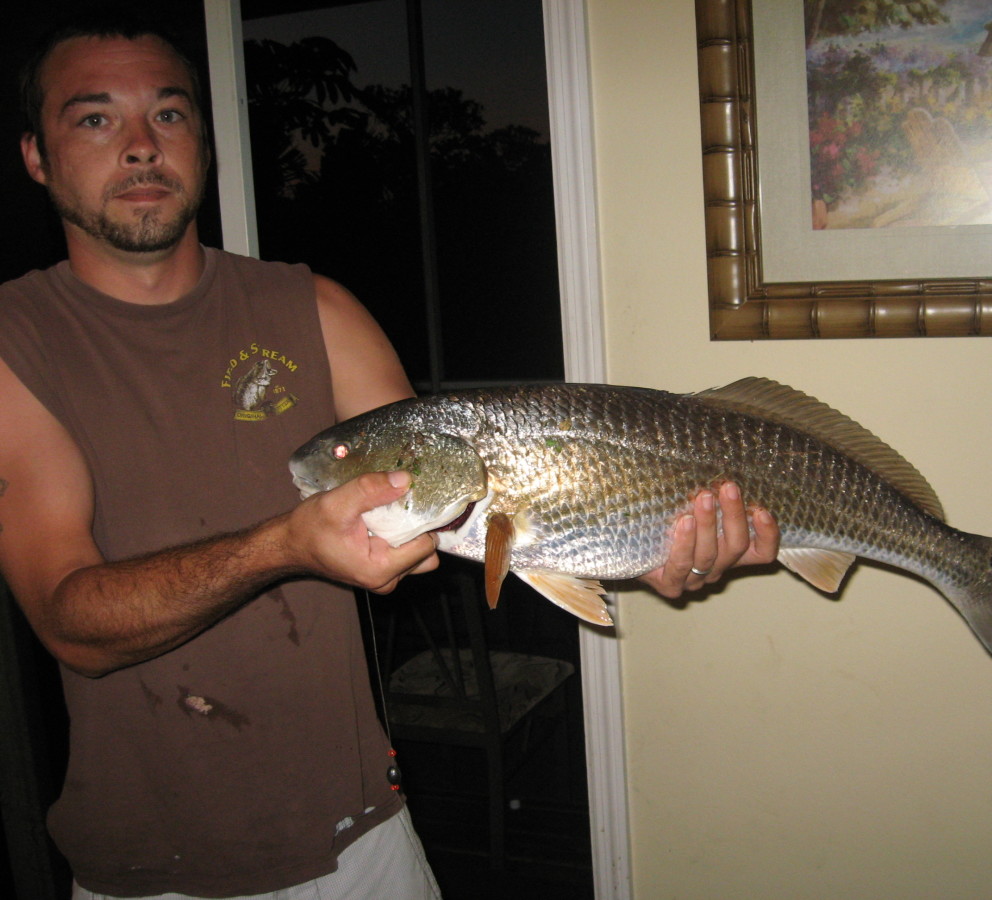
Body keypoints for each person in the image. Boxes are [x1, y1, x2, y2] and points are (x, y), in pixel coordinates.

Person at [0, 12, 781, 900]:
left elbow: (453, 500)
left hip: (360, 832)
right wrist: (283, 546)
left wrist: (650, 549)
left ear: (204, 142)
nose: (142, 146)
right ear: (35, 154)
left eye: (169, 115)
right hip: (151, 863)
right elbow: (70, 624)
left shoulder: (317, 306)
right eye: (95, 119)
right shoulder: (16, 346)